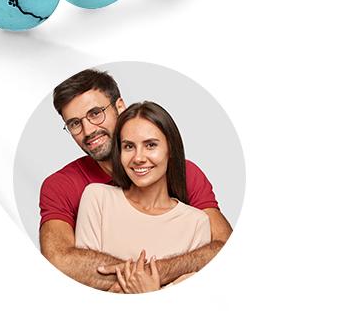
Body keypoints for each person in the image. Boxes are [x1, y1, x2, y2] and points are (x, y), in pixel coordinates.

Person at [38, 69, 231, 291]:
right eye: (74, 123)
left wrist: (149, 278)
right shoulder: (65, 186)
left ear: (120, 107)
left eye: (95, 113)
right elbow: (59, 260)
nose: (88, 130)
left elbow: (224, 248)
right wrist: (145, 281)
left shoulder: (186, 174)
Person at [75, 101, 213, 292]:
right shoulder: (97, 198)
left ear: (171, 149)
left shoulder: (196, 223)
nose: (138, 158)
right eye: (129, 146)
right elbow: (85, 284)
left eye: (150, 145)